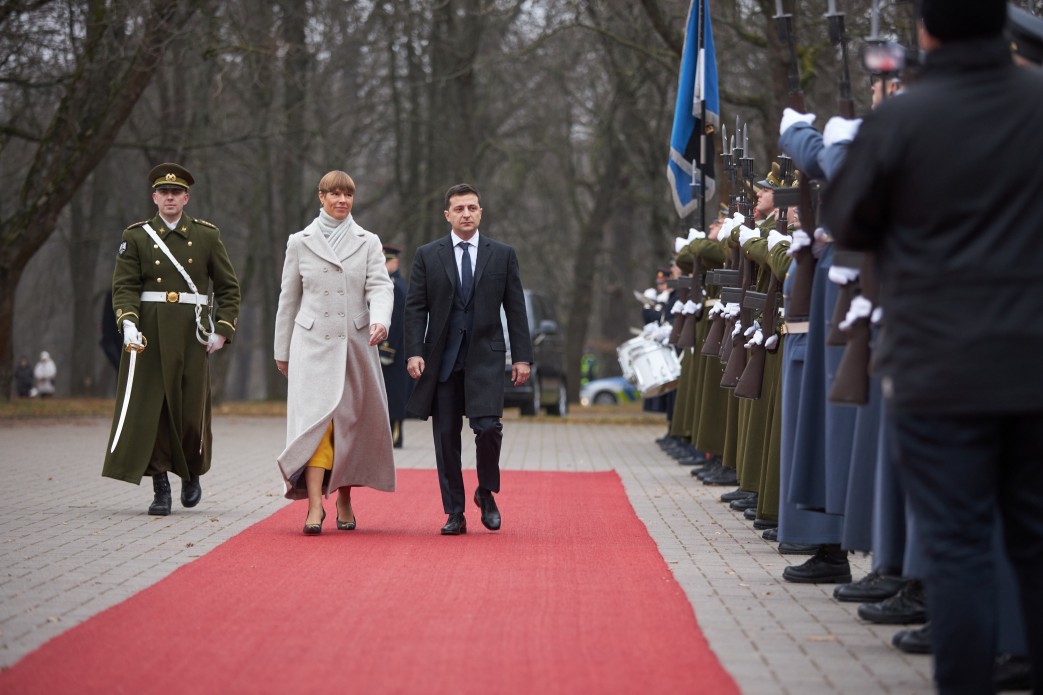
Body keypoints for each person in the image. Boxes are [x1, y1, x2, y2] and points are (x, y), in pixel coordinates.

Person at [822, 0, 1043, 691]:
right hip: (1033, 357)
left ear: (926, 30)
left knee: (957, 547)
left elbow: (847, 220)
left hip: (938, 364)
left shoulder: (904, 117)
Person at [102, 163, 241, 516]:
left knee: (191, 410)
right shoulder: (136, 236)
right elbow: (124, 286)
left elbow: (228, 287)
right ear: (154, 197)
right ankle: (160, 486)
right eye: (163, 192)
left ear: (186, 198)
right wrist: (128, 322)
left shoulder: (207, 236)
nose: (169, 198)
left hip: (192, 333)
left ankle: (191, 472)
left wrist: (222, 329)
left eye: (176, 192)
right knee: (155, 410)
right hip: (149, 333)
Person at [404, 183, 532, 535]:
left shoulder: (502, 254)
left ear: (480, 213)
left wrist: (522, 357)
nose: (466, 214)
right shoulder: (428, 255)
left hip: (485, 360)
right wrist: (414, 351)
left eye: (472, 208)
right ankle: (455, 512)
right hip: (442, 363)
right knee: (446, 438)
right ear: (447, 215)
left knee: (488, 429)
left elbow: (516, 309)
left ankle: (486, 492)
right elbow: (415, 309)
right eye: (459, 209)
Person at [274, 170, 396, 535]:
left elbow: (380, 287)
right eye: (335, 194)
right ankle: (315, 504)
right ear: (321, 197)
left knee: (348, 424)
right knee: (316, 426)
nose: (342, 200)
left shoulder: (368, 241)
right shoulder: (300, 242)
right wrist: (282, 350)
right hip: (311, 346)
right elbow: (289, 299)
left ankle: (343, 497)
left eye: (348, 194)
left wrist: (381, 320)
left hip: (354, 346)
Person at [380, 243, 409, 449]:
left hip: (393, 351)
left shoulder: (395, 287)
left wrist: (387, 348)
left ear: (394, 263)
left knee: (394, 394)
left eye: (386, 262)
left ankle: (395, 435)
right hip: (388, 349)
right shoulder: (389, 285)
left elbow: (397, 322)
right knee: (387, 394)